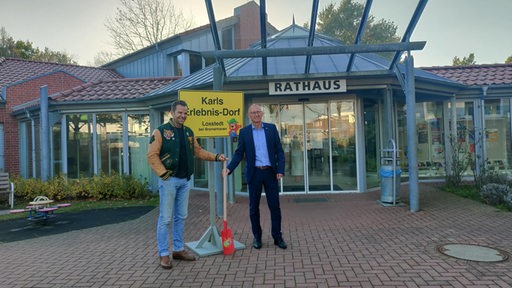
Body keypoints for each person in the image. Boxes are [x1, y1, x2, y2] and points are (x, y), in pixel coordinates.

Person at [147, 100, 226, 269]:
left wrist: (215, 156)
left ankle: (178, 249)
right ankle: (163, 254)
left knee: (181, 216)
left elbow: (198, 151)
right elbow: (152, 155)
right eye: (179, 113)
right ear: (172, 112)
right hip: (169, 181)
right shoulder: (160, 131)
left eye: (185, 113)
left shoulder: (189, 132)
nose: (183, 116)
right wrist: (163, 174)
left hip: (185, 181)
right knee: (165, 218)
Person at [222, 104, 287, 250]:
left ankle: (277, 237)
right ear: (249, 116)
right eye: (253, 113)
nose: (256, 115)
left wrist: (280, 169)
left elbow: (280, 152)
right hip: (254, 173)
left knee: (275, 207)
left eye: (258, 112)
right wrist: (229, 168)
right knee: (253, 208)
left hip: (270, 172)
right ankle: (257, 238)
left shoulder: (271, 129)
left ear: (262, 114)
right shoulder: (244, 132)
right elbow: (239, 153)